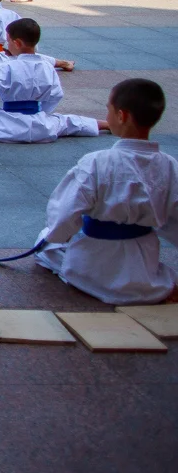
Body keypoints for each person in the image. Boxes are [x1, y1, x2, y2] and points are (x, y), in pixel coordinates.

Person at [15, 79, 177, 305]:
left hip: (93, 267)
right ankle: (149, 286)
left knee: (47, 241)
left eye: (108, 110)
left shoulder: (97, 163)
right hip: (143, 261)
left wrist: (57, 236)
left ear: (122, 116)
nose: (107, 115)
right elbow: (173, 221)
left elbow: (64, 215)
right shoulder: (169, 165)